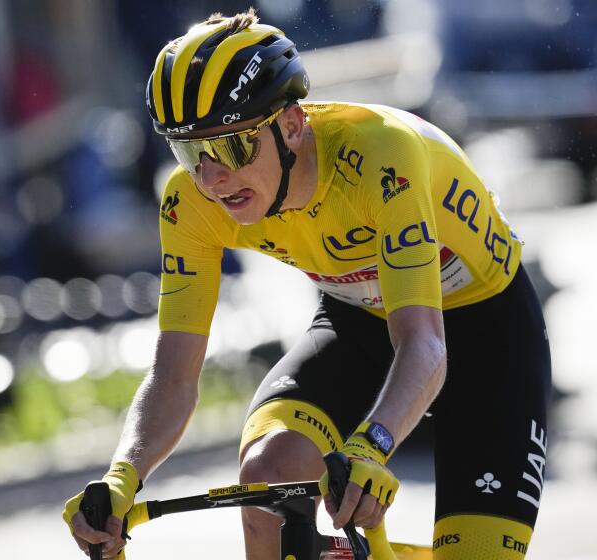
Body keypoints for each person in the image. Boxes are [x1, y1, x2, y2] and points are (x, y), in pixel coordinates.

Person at [63, 9, 550, 559]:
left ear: (292, 126)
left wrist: (372, 447)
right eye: (190, 151)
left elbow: (426, 343)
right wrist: (123, 475)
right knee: (270, 475)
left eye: (231, 147)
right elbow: (174, 373)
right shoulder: (191, 202)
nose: (212, 177)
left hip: (485, 336)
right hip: (358, 323)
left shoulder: (381, 158)